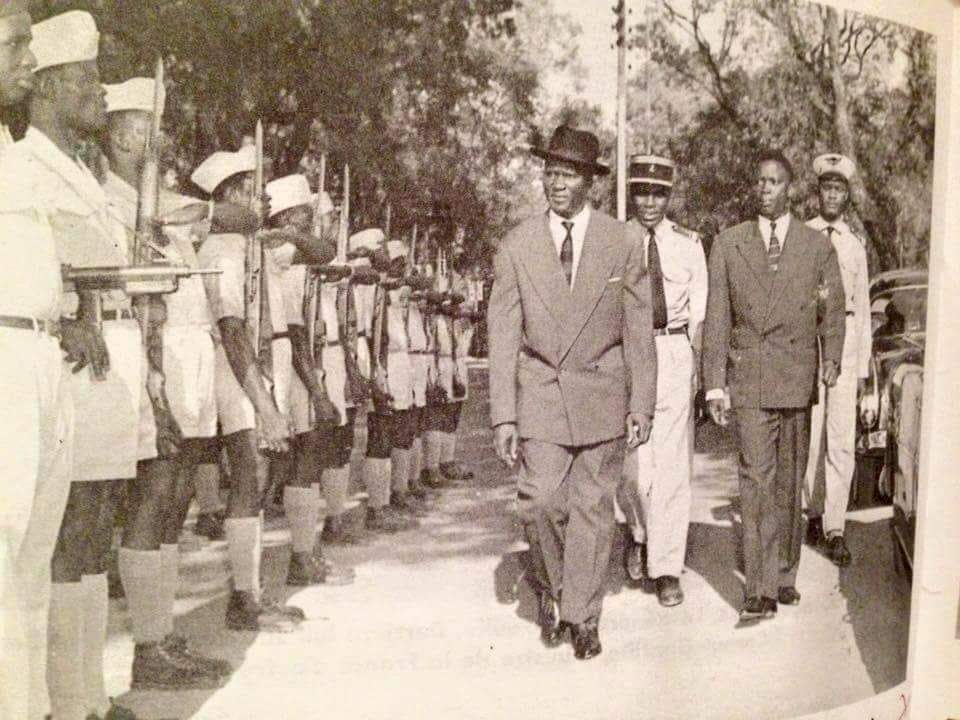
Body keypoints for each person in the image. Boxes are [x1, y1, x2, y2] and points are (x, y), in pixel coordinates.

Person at [6, 12, 150, 719]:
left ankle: (84, 699)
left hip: (86, 359)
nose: (100, 92)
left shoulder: (73, 169)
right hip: (47, 360)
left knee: (86, 534)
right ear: (52, 87)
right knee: (57, 544)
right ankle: (66, 703)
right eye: (88, 79)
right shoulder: (24, 159)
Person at [488, 125, 656, 660]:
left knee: (591, 507)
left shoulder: (623, 241)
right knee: (538, 503)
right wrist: (503, 417)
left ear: (590, 182)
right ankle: (555, 588)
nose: (556, 183)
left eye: (568, 174)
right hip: (540, 393)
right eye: (550, 172)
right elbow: (502, 336)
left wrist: (641, 403)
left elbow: (638, 328)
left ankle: (582, 616)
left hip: (602, 395)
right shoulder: (516, 246)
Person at [101, 76, 232, 689]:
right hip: (142, 357)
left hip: (183, 359)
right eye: (151, 127)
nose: (161, 138)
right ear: (126, 132)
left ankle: (162, 634)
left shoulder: (164, 205)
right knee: (152, 501)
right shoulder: (111, 197)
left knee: (175, 497)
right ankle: (148, 649)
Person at [702, 149, 845, 623]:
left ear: (790, 188)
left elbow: (833, 311)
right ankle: (759, 590)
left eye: (774, 182)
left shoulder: (815, 246)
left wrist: (832, 360)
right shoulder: (728, 243)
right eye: (759, 181)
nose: (765, 189)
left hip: (797, 377)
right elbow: (718, 315)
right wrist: (714, 385)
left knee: (789, 482)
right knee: (755, 480)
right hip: (750, 379)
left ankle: (784, 573)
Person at [0, 5, 76, 719]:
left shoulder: (14, 148)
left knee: (29, 565)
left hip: (41, 357)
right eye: (16, 43)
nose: (28, 57)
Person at [193, 146, 305, 632]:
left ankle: (251, 591)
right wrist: (262, 402)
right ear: (227, 196)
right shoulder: (221, 248)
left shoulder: (252, 246)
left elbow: (316, 250)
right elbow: (234, 329)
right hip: (236, 368)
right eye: (246, 191)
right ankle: (243, 599)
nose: (258, 198)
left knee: (260, 475)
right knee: (249, 472)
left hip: (258, 365)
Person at [618, 154, 707, 607]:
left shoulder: (689, 245)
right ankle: (639, 531)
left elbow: (701, 315)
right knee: (633, 468)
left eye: (658, 193)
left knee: (672, 467)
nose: (649, 201)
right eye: (641, 192)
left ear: (669, 196)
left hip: (672, 353)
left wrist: (701, 377)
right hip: (630, 354)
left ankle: (667, 566)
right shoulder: (615, 241)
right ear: (631, 194)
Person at [263, 172, 354, 583]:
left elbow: (326, 251)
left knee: (308, 456)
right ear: (289, 216)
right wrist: (316, 389)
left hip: (297, 360)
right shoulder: (282, 252)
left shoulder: (295, 249)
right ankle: (292, 559)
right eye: (303, 213)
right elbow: (296, 330)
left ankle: (304, 552)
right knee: (291, 459)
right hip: (287, 361)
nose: (311, 221)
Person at [803, 153, 872, 567]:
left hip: (843, 340)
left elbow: (861, 309)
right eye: (826, 188)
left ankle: (835, 526)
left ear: (846, 196)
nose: (832, 195)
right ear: (818, 194)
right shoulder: (804, 236)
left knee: (841, 438)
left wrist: (862, 368)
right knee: (810, 436)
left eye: (839, 189)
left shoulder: (854, 246)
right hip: (808, 341)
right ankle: (810, 513)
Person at [359, 229, 422, 533]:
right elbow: (374, 334)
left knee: (398, 429)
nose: (395, 263)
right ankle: (376, 507)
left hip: (398, 363)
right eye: (382, 250)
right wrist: (376, 370)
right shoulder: (367, 283)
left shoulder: (388, 286)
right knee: (380, 434)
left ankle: (391, 497)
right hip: (380, 363)